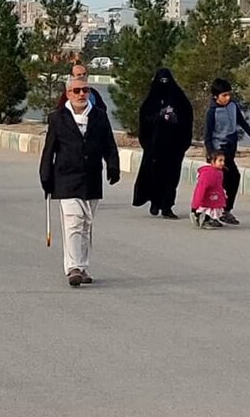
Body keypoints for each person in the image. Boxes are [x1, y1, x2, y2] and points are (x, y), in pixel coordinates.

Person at [39, 76, 120, 287]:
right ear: (68, 94)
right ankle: (73, 267)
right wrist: (45, 176)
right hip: (66, 177)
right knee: (73, 221)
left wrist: (113, 166)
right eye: (76, 91)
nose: (81, 94)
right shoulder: (57, 118)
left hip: (91, 177)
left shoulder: (99, 116)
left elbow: (109, 144)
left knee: (86, 223)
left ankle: (82, 267)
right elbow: (50, 149)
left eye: (85, 90)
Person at [132, 68, 194, 219]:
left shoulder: (179, 99)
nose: (164, 84)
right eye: (162, 81)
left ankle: (167, 206)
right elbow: (144, 119)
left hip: (174, 147)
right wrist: (158, 117)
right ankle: (154, 201)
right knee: (154, 175)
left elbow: (187, 118)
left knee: (171, 177)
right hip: (155, 147)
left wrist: (176, 119)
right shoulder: (151, 100)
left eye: (167, 81)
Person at [202, 78, 250, 225]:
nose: (228, 98)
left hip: (230, 149)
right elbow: (207, 137)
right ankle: (209, 216)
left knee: (232, 180)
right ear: (216, 96)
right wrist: (212, 155)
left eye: (229, 94)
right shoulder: (212, 112)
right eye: (224, 95)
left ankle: (224, 210)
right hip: (218, 152)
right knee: (218, 183)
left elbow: (241, 121)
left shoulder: (233, 106)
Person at [190, 150, 227, 229]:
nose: (223, 163)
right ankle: (199, 217)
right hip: (208, 195)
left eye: (223, 160)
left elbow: (219, 185)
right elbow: (202, 187)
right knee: (206, 208)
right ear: (212, 162)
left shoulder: (219, 172)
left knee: (213, 209)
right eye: (220, 161)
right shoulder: (208, 173)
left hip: (215, 195)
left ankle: (208, 220)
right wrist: (197, 201)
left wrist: (222, 193)